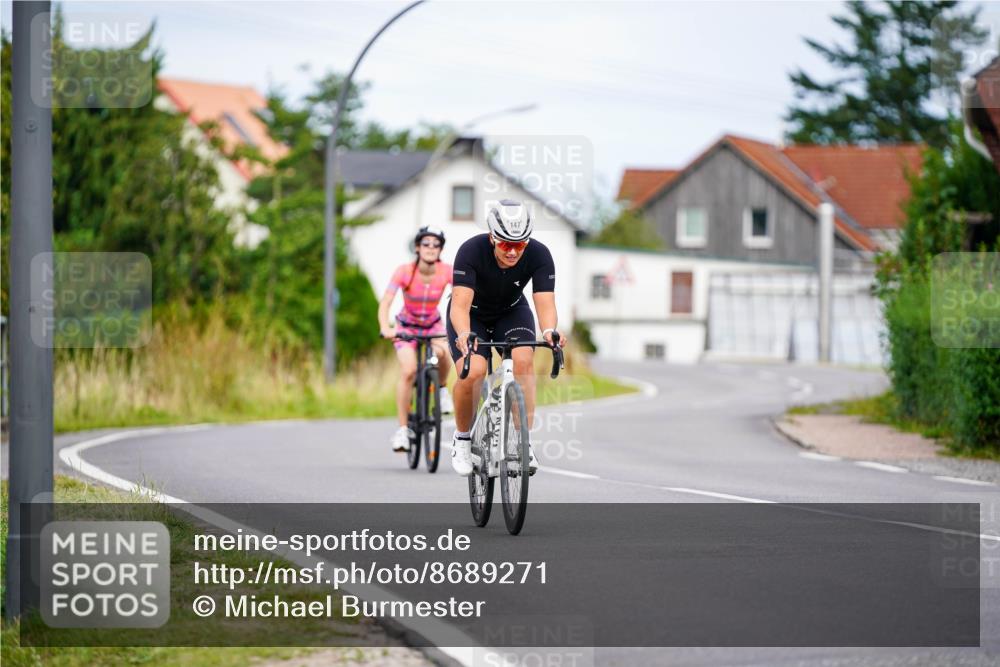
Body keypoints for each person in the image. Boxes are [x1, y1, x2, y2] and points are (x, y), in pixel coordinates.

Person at [446, 199, 566, 476]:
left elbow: (545, 303)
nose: (512, 251)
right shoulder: (471, 251)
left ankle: (523, 443)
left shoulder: (539, 254)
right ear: (492, 237)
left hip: (511, 312)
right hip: (471, 315)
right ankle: (462, 439)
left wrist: (549, 331)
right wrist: (464, 334)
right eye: (505, 244)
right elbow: (460, 306)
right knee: (474, 371)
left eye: (520, 245)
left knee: (523, 362)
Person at [378, 225, 454, 453]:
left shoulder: (447, 271)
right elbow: (386, 302)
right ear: (417, 248)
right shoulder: (404, 271)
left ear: (440, 250)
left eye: (436, 244)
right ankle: (403, 430)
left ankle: (442, 388)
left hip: (433, 325)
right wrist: (385, 327)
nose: (431, 248)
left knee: (444, 352)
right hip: (406, 326)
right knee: (409, 370)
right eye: (426, 244)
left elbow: (463, 296)